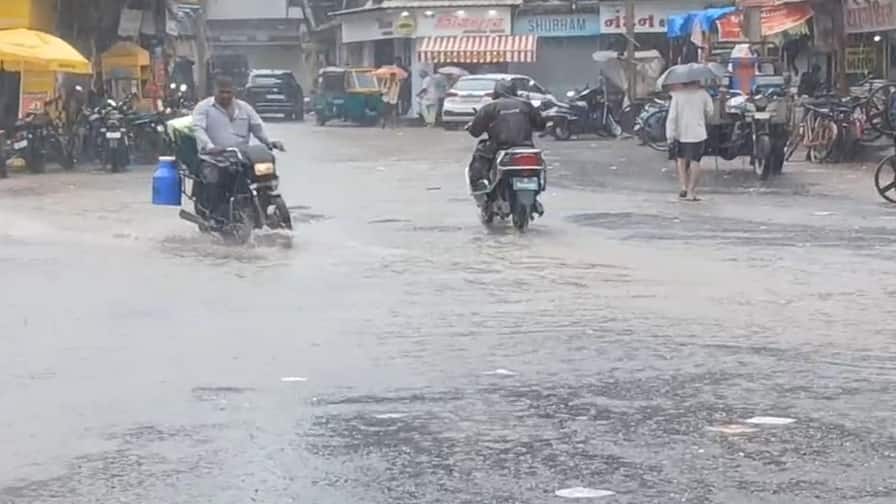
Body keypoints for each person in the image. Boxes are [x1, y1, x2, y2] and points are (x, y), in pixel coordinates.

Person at [192, 76, 282, 218]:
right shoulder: (203, 108)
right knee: (215, 182)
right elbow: (198, 129)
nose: (225, 95)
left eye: (228, 92)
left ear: (234, 92)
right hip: (214, 157)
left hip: (240, 156)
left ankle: (259, 202)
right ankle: (214, 216)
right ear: (214, 91)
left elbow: (257, 127)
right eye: (222, 92)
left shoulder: (244, 108)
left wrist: (270, 142)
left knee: (261, 174)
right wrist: (210, 146)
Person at [466, 80, 545, 192]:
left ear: (496, 91)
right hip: (526, 146)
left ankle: (480, 182)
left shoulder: (489, 107)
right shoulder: (526, 105)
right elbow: (541, 125)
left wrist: (472, 126)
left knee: (480, 152)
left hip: (499, 146)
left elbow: (475, 132)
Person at [666, 81, 713, 201]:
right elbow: (710, 111)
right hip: (698, 133)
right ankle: (691, 191)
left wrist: (670, 135)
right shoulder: (703, 94)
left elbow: (672, 116)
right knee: (695, 161)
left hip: (681, 133)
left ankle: (683, 187)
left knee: (681, 160)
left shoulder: (677, 95)